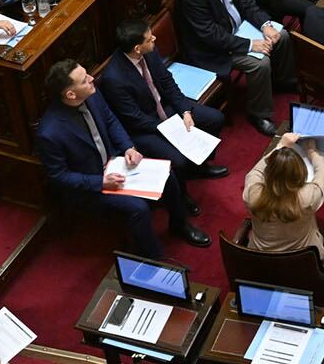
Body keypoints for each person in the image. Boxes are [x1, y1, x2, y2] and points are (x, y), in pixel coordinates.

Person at [35, 60, 207, 257]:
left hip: (116, 164)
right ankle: (153, 257)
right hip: (91, 185)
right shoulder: (50, 132)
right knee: (138, 208)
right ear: (71, 95)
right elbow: (59, 176)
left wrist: (128, 147)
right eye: (84, 80)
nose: (91, 78)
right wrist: (100, 182)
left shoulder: (92, 95)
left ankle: (179, 224)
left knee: (167, 175)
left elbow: (110, 120)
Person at [173, 0, 298, 137]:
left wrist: (265, 25)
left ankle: (283, 80)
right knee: (259, 63)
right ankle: (260, 114)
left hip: (236, 31)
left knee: (280, 35)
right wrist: (249, 45)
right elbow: (211, 36)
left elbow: (245, 1)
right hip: (213, 50)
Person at [100, 19, 230, 181]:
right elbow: (135, 119)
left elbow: (167, 82)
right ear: (137, 48)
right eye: (149, 39)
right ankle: (186, 180)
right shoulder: (113, 79)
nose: (154, 38)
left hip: (165, 107)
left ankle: (200, 164)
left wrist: (185, 111)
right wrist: (172, 128)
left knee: (215, 118)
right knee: (179, 161)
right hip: (144, 126)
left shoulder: (149, 51)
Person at [243, 133, 324, 255]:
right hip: (302, 259)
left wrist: (280, 145)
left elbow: (256, 171)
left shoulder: (252, 194)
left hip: (260, 258)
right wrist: (312, 152)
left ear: (268, 173)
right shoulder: (308, 197)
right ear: (300, 174)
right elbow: (323, 172)